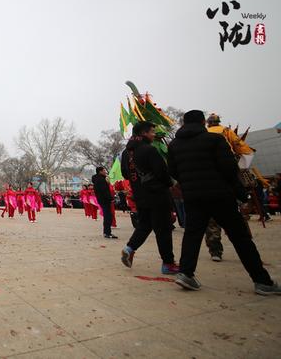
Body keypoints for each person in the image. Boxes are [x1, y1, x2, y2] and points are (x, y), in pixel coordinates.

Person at [168, 110, 280, 295]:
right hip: (219, 194)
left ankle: (186, 273)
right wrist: (241, 194)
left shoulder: (174, 145)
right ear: (203, 122)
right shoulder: (215, 140)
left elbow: (172, 170)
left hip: (193, 196)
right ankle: (262, 280)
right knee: (240, 237)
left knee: (192, 235)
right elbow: (229, 169)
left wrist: (189, 183)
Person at [120, 121, 179, 274]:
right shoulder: (149, 150)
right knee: (163, 230)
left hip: (140, 196)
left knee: (145, 225)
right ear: (144, 133)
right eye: (152, 132)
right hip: (157, 195)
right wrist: (170, 184)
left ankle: (129, 248)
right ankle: (168, 263)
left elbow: (126, 174)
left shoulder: (126, 153)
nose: (154, 134)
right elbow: (162, 173)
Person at [92, 167, 116, 238]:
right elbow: (104, 191)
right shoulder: (101, 180)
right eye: (104, 170)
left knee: (108, 216)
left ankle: (107, 232)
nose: (105, 172)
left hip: (102, 200)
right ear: (100, 171)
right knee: (108, 216)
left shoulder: (98, 179)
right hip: (104, 200)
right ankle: (107, 233)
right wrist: (111, 198)